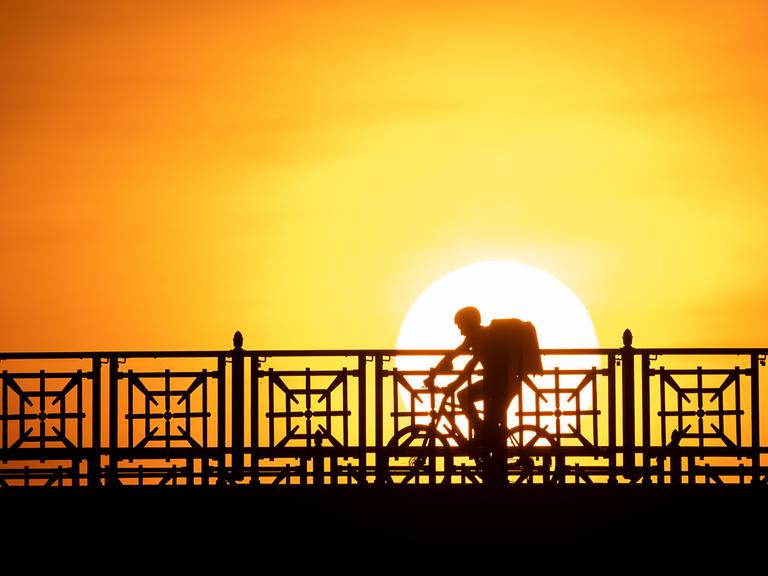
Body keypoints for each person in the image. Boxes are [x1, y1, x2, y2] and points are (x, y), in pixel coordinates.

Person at [424, 306, 543, 453]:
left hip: (501, 386)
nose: (461, 332)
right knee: (485, 421)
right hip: (501, 384)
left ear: (469, 323)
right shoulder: (478, 337)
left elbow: (467, 367)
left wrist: (448, 383)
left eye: (461, 326)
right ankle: (484, 436)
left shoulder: (481, 338)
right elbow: (454, 356)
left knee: (469, 402)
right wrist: (435, 375)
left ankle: (486, 439)